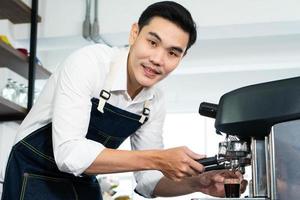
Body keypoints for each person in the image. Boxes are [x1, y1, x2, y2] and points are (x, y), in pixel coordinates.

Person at [1, 1, 246, 199]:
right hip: (31, 176)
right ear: (134, 33)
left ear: (181, 58)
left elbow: (150, 181)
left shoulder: (154, 101)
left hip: (82, 184)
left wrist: (199, 183)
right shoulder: (90, 64)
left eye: (172, 53)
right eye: (152, 42)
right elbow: (69, 154)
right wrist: (157, 159)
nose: (158, 59)